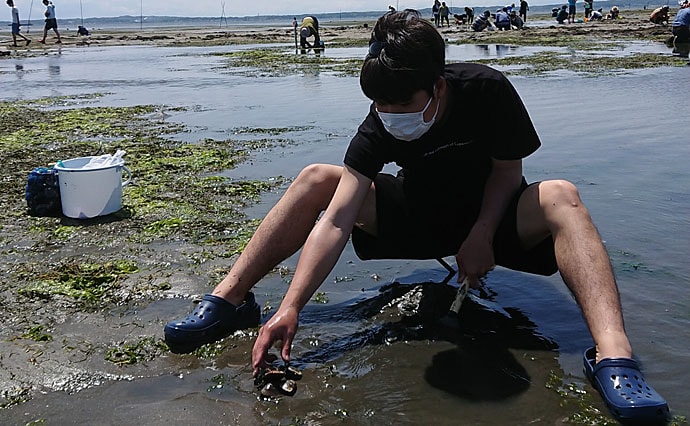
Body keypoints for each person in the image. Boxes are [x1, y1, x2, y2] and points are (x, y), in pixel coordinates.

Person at [164, 9, 669, 424]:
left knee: (561, 193)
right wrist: (292, 304)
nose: (388, 113)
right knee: (319, 177)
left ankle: (613, 355)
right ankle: (229, 299)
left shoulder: (487, 89)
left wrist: (482, 234)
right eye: (378, 104)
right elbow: (338, 219)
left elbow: (507, 172)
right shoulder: (380, 122)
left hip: (493, 221)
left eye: (400, 103)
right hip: (420, 217)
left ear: (439, 86)